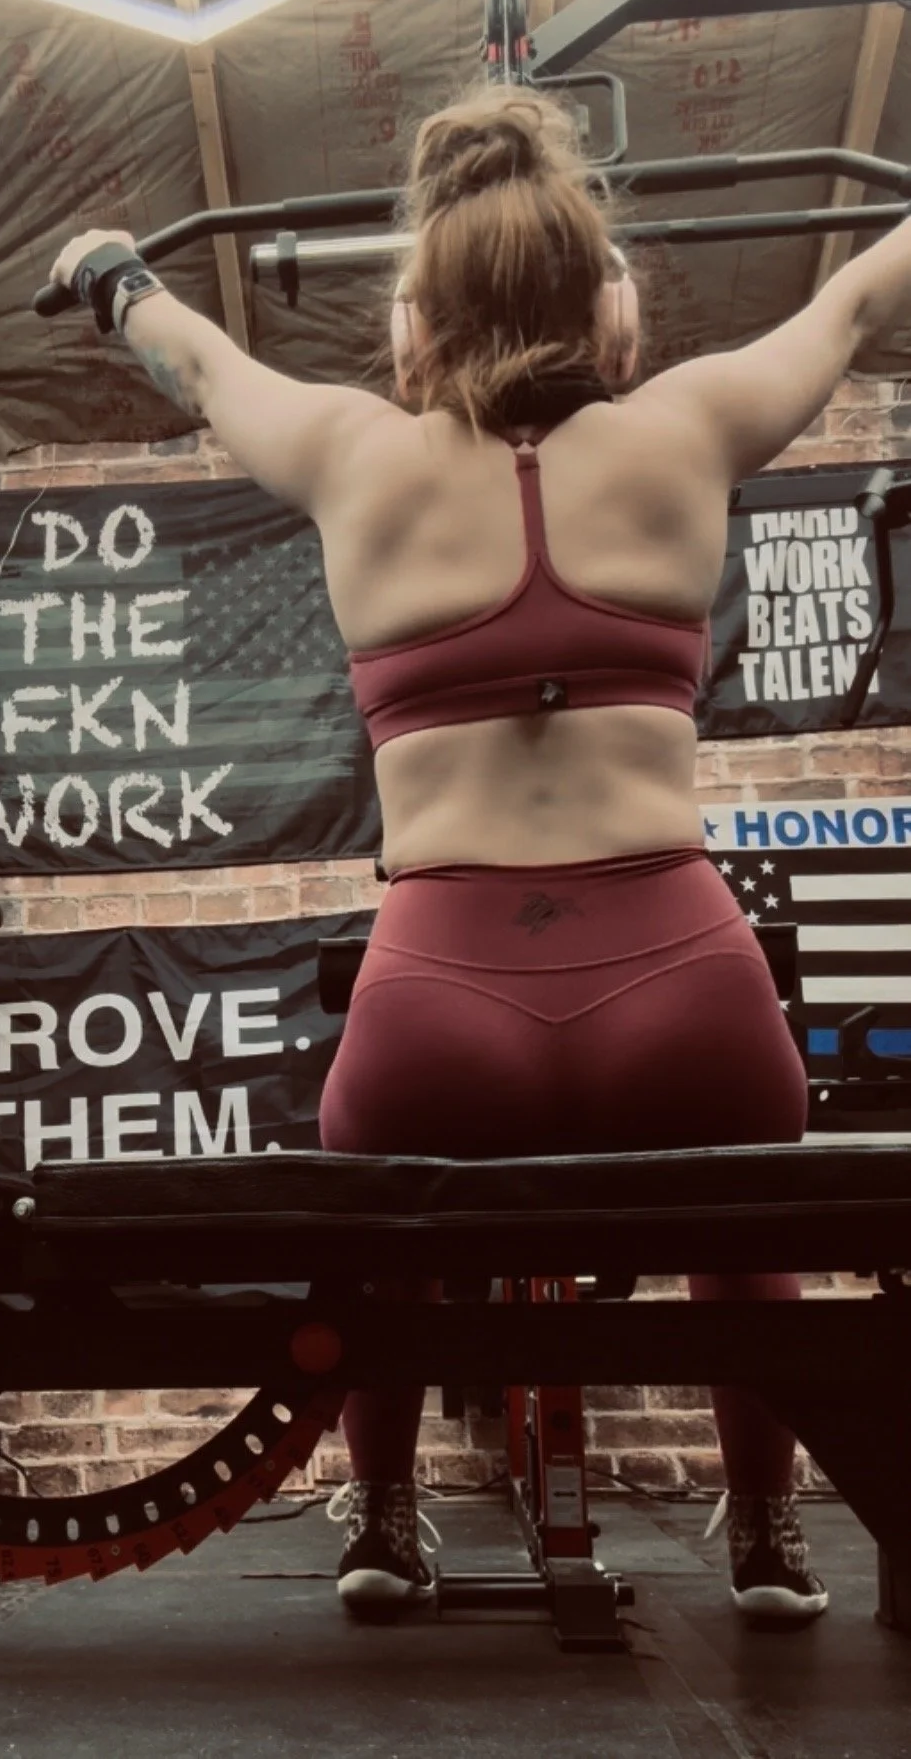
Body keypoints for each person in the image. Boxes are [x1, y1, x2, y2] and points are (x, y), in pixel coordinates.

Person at [50, 83, 911, 1626]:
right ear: (601, 301)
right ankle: (769, 1534)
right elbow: (853, 301)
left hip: (440, 1004)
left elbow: (199, 361)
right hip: (682, 989)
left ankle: (383, 1518)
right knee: (748, 1243)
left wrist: (114, 274)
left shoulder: (351, 452)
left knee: (385, 1250)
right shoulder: (690, 425)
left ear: (418, 316)